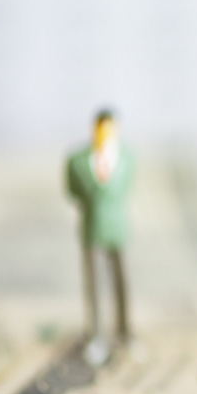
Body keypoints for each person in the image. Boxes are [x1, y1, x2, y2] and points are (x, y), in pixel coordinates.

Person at [64, 108, 136, 366]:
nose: (105, 133)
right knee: (94, 284)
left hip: (117, 228)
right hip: (92, 227)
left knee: (122, 282)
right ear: (93, 129)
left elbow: (127, 185)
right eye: (100, 128)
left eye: (109, 128)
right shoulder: (77, 159)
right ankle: (96, 335)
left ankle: (126, 332)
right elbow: (72, 190)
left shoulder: (126, 157)